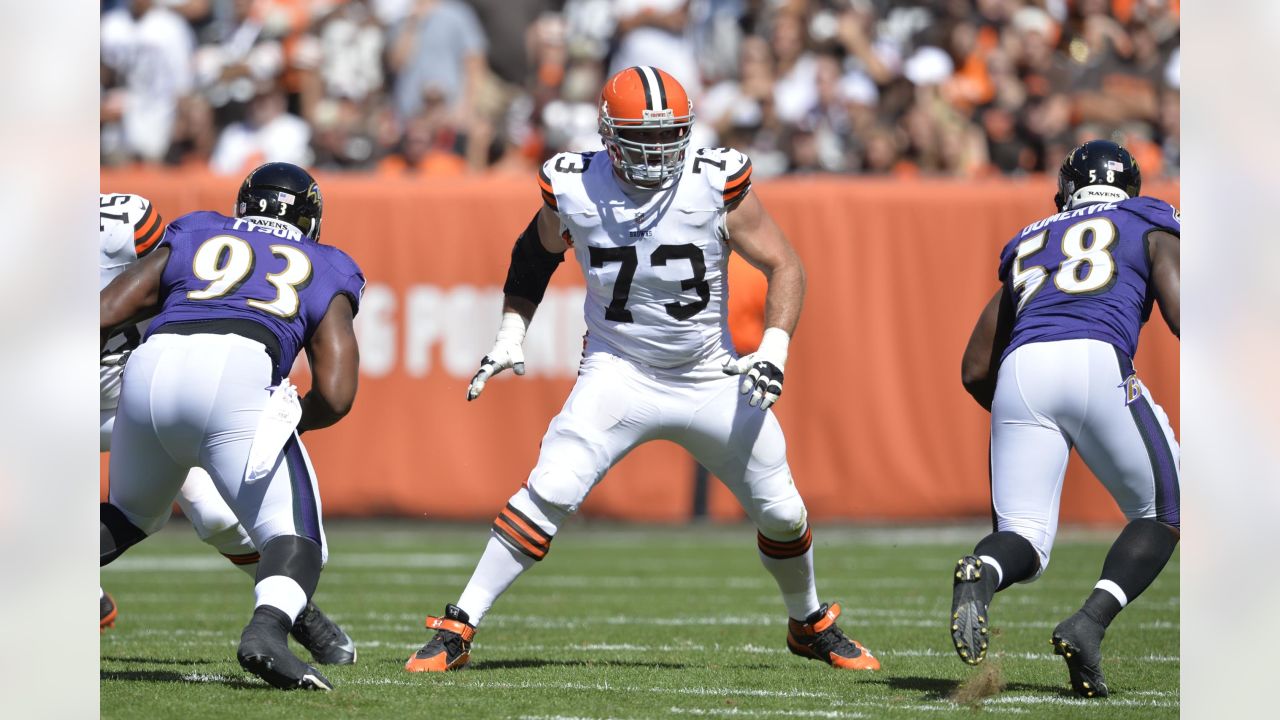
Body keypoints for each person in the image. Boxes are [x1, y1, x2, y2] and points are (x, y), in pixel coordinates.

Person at [405, 66, 880, 673]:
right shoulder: (574, 185)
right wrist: (510, 330)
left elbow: (785, 265)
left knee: (785, 512)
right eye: (641, 140)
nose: (657, 155)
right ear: (607, 135)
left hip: (709, 373)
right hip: (619, 371)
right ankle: (459, 624)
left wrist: (774, 349)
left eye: (668, 138)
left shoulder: (715, 181)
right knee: (551, 486)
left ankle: (808, 621)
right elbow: (533, 255)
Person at [99, 164, 365, 691]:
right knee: (297, 539)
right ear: (312, 218)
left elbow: (108, 309)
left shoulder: (198, 229)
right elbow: (336, 393)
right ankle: (266, 634)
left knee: (128, 517)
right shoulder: (328, 263)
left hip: (150, 365)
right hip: (241, 371)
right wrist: (293, 420)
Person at [953, 139, 1180, 698]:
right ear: (1130, 187)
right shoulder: (1148, 218)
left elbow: (976, 366)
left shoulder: (1033, 238)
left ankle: (982, 570)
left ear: (1067, 191)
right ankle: (1089, 623)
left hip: (1019, 374)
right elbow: (1184, 310)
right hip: (1096, 358)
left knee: (1023, 538)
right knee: (1165, 511)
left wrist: (1034, 423)